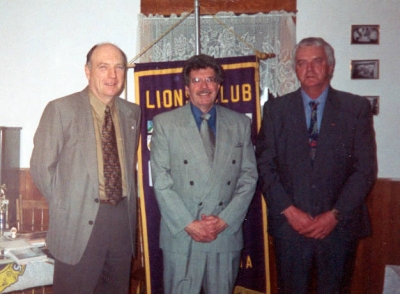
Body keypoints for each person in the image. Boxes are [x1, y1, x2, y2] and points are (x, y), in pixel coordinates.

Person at [256, 37, 377, 293]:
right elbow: (264, 166)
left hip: (338, 228)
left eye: (316, 62)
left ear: (330, 67)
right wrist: (290, 211)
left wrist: (334, 215)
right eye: (301, 63)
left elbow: (365, 170)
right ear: (295, 69)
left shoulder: (355, 108)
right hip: (290, 228)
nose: (309, 69)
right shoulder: (276, 110)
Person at [30, 43, 141, 293]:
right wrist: (66, 207)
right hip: (77, 224)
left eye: (119, 67)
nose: (112, 75)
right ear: (88, 71)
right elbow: (40, 167)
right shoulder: (61, 109)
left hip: (121, 221)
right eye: (104, 67)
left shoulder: (132, 113)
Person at [150, 54, 258, 294]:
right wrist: (189, 224)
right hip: (182, 234)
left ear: (219, 85)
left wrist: (224, 220)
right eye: (196, 80)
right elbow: (161, 181)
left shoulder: (239, 123)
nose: (203, 86)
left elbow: (248, 177)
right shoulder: (165, 123)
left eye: (209, 79)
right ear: (186, 87)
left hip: (223, 234)